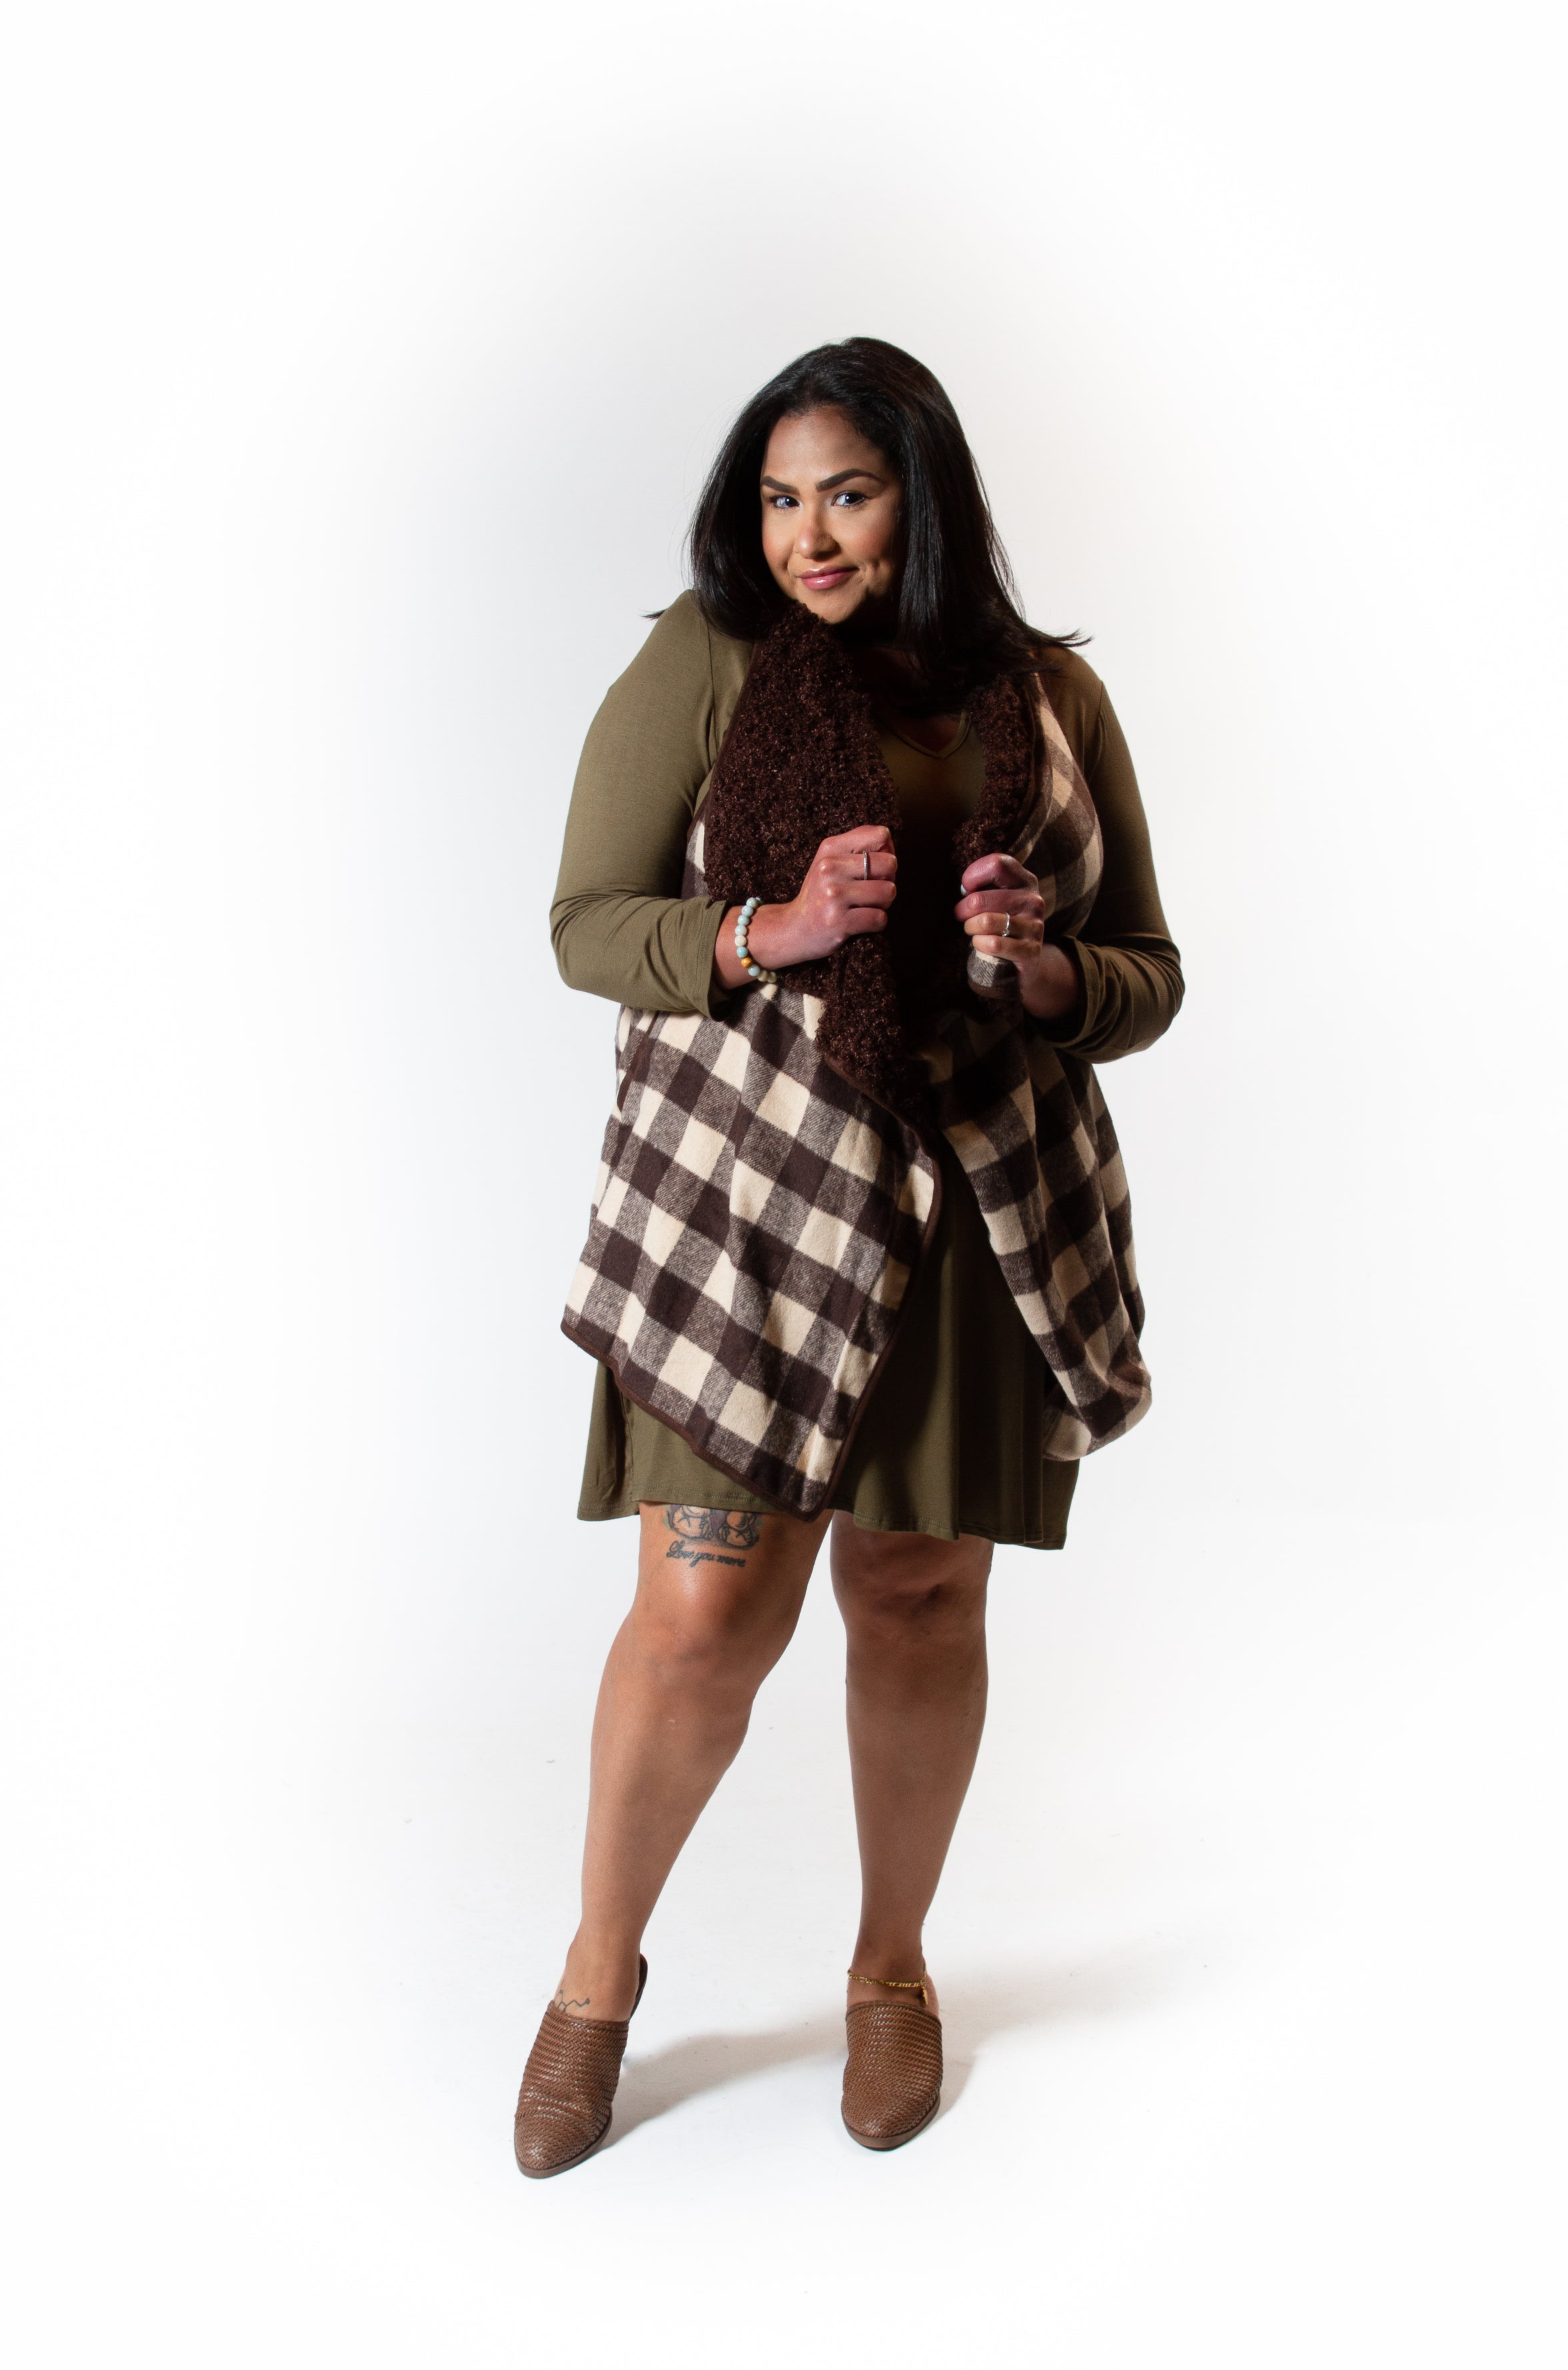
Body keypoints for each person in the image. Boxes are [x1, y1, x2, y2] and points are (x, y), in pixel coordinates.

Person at [514, 338, 1182, 2175]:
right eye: (779, 499)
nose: (808, 536)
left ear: (924, 499)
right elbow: (588, 923)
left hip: (972, 1205)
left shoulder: (1048, 696)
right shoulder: (707, 659)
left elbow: (1145, 974)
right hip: (744, 1205)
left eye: (850, 495)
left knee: (918, 1598)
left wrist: (1043, 966)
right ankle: (594, 1981)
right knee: (703, 1616)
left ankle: (892, 1973)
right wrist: (771, 930)